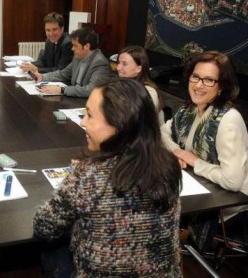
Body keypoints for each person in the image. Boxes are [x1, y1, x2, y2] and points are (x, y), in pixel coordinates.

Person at [33, 78, 182, 277]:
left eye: (89, 115)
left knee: (51, 248)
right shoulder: (169, 165)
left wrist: (74, 180)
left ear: (118, 125)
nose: (83, 122)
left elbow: (43, 226)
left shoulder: (88, 175)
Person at [161, 51, 248, 250]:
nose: (198, 84)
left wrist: (195, 161)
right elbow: (162, 133)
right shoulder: (190, 110)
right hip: (201, 186)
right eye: (195, 76)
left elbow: (233, 181)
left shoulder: (228, 120)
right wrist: (178, 151)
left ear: (222, 87)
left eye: (209, 80)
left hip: (229, 206)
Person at [32, 27, 113, 97]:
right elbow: (63, 74)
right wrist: (42, 77)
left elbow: (91, 89)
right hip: (74, 97)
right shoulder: (78, 57)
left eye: (75, 45)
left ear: (87, 46)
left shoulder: (100, 63)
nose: (72, 49)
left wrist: (63, 90)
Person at [116, 46, 165, 125]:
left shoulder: (149, 92)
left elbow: (136, 125)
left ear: (138, 69)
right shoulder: (120, 85)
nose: (118, 68)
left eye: (124, 64)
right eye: (118, 63)